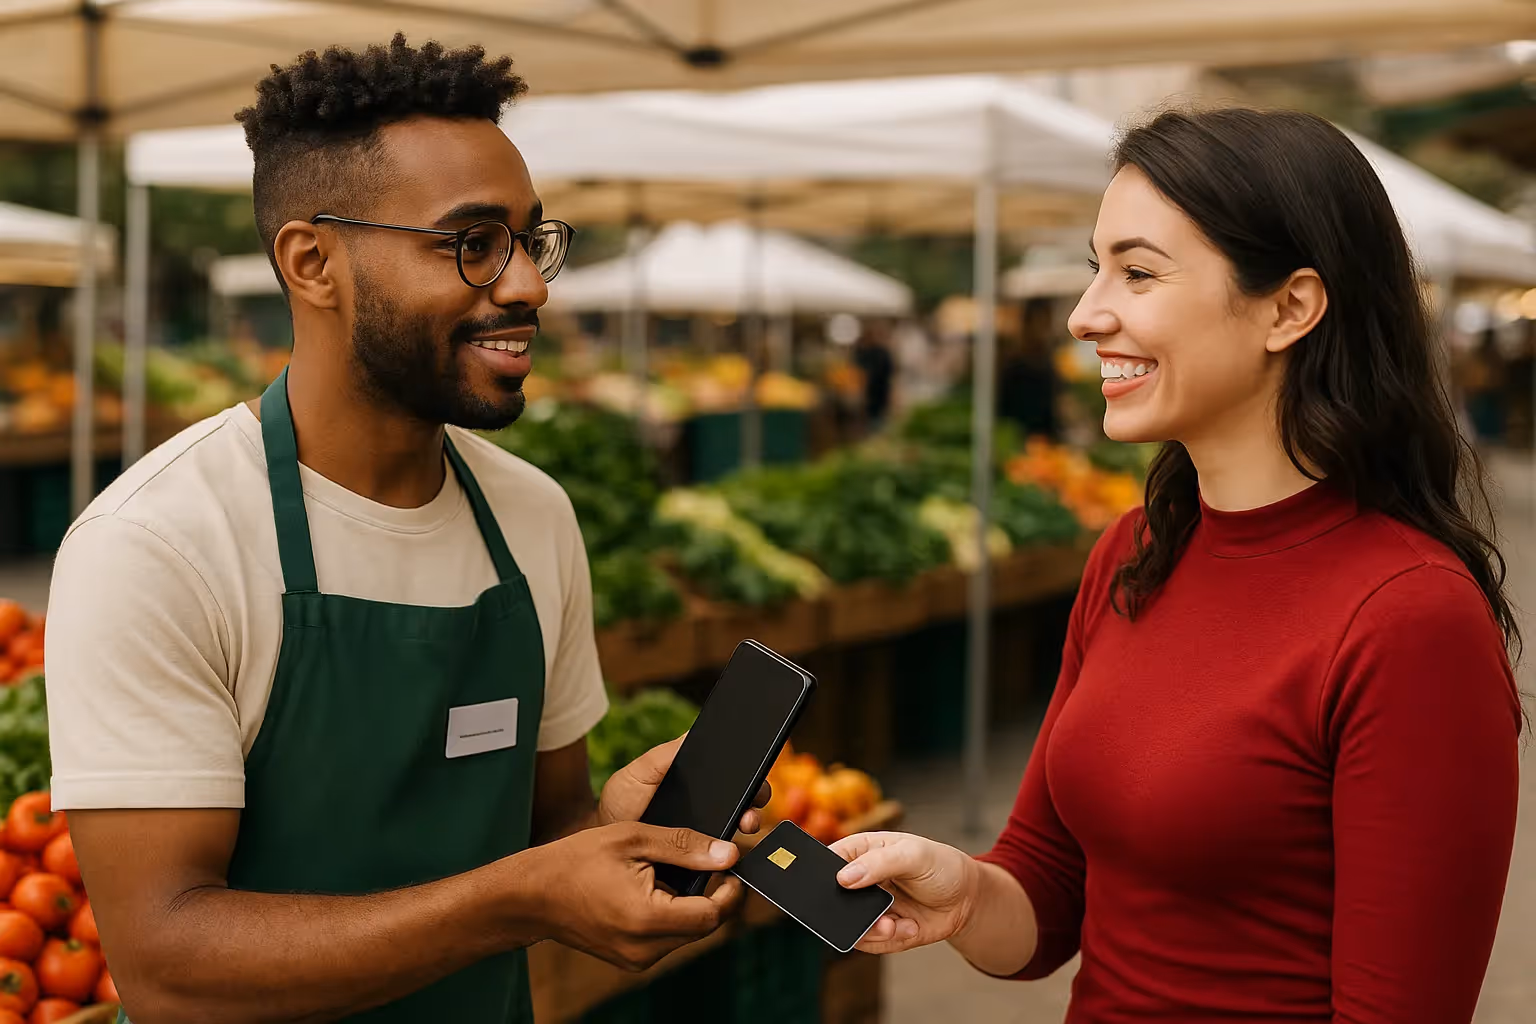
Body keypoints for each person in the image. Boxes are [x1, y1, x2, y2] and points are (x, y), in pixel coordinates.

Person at [45, 36, 763, 1024]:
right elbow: (167, 962)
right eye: (472, 243)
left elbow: (545, 827)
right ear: (314, 263)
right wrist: (520, 897)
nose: (528, 287)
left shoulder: (532, 517)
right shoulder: (157, 545)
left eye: (530, 240)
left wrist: (612, 833)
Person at [831, 108, 1524, 1023]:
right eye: (1095, 268)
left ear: (1290, 308)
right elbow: (1045, 903)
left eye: (1139, 272)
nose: (1086, 314)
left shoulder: (1410, 617)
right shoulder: (1133, 552)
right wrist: (959, 893)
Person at [997, 297, 1061, 440]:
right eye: (1040, 321)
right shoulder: (1013, 359)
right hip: (1018, 433)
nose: (1044, 328)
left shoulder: (1048, 355)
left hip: (1045, 434)